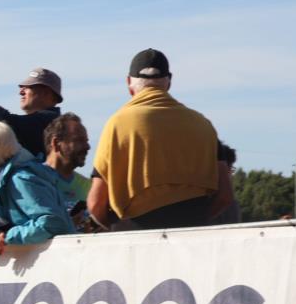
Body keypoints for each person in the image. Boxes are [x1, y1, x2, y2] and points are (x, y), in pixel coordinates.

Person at [88, 49, 233, 231]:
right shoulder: (202, 124)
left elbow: (95, 203)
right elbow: (225, 196)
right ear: (169, 81)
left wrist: (115, 227)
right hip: (193, 235)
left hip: (135, 236)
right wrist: (198, 222)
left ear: (129, 83)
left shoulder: (117, 124)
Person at [0, 121, 76, 263]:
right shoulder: (4, 182)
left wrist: (7, 237)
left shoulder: (21, 180)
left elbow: (52, 223)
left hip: (60, 262)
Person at [42, 113, 92, 229]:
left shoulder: (89, 186)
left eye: (86, 141)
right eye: (79, 140)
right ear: (56, 143)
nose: (87, 147)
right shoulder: (33, 180)